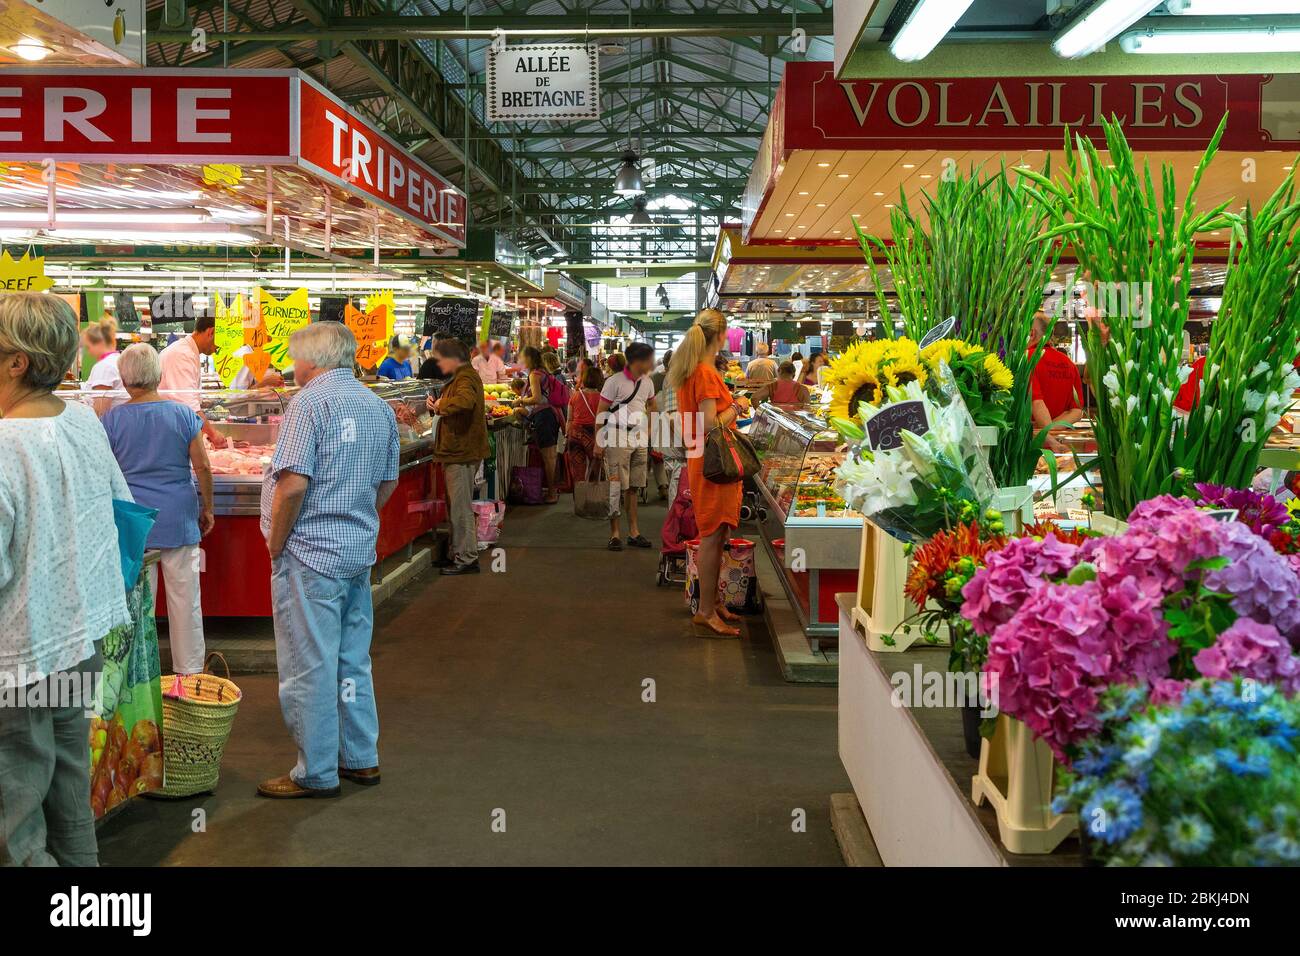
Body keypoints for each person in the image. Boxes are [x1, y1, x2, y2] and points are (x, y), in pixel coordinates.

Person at [0, 292, 132, 866]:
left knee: (16, 816)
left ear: (16, 362)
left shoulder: (5, 446)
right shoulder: (81, 420)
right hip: (81, 640)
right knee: (69, 792)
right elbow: (122, 512)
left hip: (18, 656)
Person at [258, 322, 399, 798]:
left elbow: (293, 484)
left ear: (313, 360)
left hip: (310, 555)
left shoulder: (309, 402)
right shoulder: (377, 406)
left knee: (309, 665)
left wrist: (277, 542)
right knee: (352, 660)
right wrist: (357, 517)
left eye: (295, 359)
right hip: (357, 552)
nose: (293, 368)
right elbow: (388, 482)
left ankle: (315, 771)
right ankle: (361, 758)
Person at [101, 344, 215, 675]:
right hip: (179, 519)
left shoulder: (111, 421)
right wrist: (208, 507)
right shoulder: (182, 415)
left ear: (124, 380)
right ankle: (189, 674)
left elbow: (105, 473)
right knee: (186, 600)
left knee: (138, 603)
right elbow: (203, 467)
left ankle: (138, 674)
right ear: (159, 375)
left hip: (135, 524)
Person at [667, 308, 744, 637]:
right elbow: (710, 423)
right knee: (713, 537)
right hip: (715, 462)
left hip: (702, 459)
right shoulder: (706, 373)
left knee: (719, 534)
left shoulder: (691, 371)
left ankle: (713, 602)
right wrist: (738, 407)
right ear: (721, 335)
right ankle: (706, 611)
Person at [426, 338, 489, 575]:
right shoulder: (462, 377)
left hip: (460, 451)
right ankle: (458, 552)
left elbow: (465, 401)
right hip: (458, 450)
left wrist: (441, 405)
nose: (439, 364)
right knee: (457, 506)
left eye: (441, 359)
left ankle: (467, 559)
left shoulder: (465, 378)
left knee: (460, 508)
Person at [595, 341, 657, 551]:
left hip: (638, 437)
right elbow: (601, 410)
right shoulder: (614, 381)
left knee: (633, 487)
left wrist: (650, 431)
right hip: (616, 434)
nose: (651, 363)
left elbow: (652, 405)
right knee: (616, 486)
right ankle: (615, 534)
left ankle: (634, 531)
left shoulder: (647, 382)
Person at [159, 313, 227, 447]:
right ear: (211, 332)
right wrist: (213, 434)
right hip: (169, 433)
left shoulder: (188, 351)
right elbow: (189, 405)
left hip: (174, 429)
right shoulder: (182, 354)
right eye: (219, 345)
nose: (216, 350)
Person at [1028, 315, 1084, 453]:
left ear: (1031, 333)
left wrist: (1047, 435)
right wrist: (1053, 431)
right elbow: (1077, 412)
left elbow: (1037, 403)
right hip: (1058, 442)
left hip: (1032, 445)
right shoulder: (1069, 364)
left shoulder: (1028, 358)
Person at [517, 345, 564, 504]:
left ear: (529, 358)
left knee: (548, 457)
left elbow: (536, 398)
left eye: (522, 357)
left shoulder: (534, 375)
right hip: (551, 415)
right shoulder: (543, 372)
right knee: (551, 456)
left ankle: (551, 493)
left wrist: (521, 400)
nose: (521, 360)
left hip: (544, 417)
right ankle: (553, 490)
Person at [566, 365, 604, 494]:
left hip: (575, 434)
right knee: (596, 467)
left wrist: (567, 435)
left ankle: (579, 499)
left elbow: (569, 419)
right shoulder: (602, 398)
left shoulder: (575, 396)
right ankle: (593, 496)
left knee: (578, 470)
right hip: (593, 434)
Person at [82, 317, 121, 390]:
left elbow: (101, 400)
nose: (89, 352)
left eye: (88, 347)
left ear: (100, 343)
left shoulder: (105, 367)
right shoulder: (118, 360)